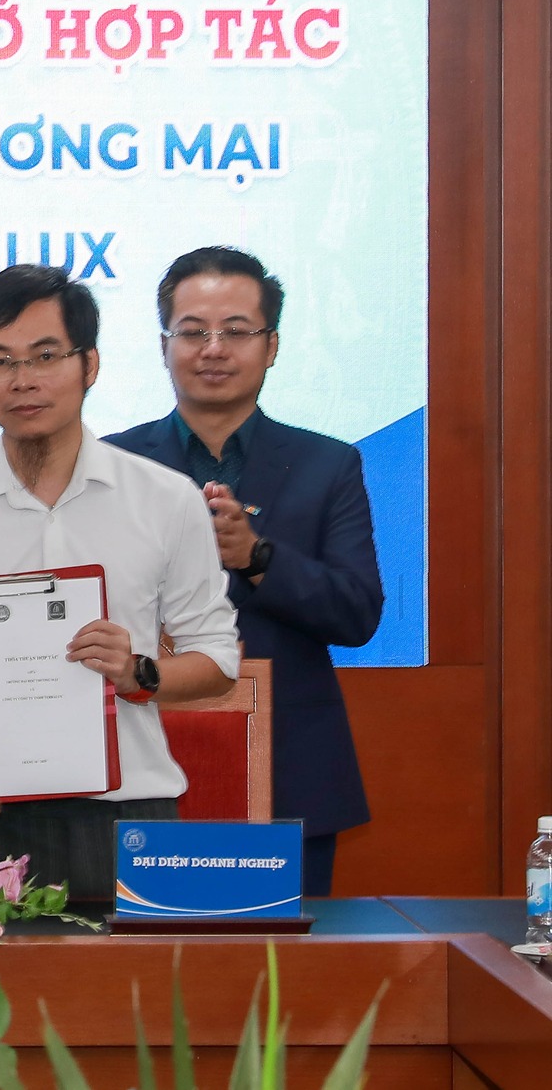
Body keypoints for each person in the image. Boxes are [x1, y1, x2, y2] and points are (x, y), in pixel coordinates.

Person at [0, 264, 241, 899]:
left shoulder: (165, 499)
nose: (22, 380)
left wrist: (138, 673)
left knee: (141, 972)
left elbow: (217, 658)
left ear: (89, 365)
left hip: (133, 813)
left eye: (46, 356)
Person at [107, 247, 382, 896]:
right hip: (141, 756)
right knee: (142, 953)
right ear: (163, 345)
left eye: (236, 330)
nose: (213, 348)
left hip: (290, 767)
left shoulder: (328, 465)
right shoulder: (111, 464)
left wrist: (257, 558)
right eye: (193, 331)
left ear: (272, 345)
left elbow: (357, 612)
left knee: (281, 955)